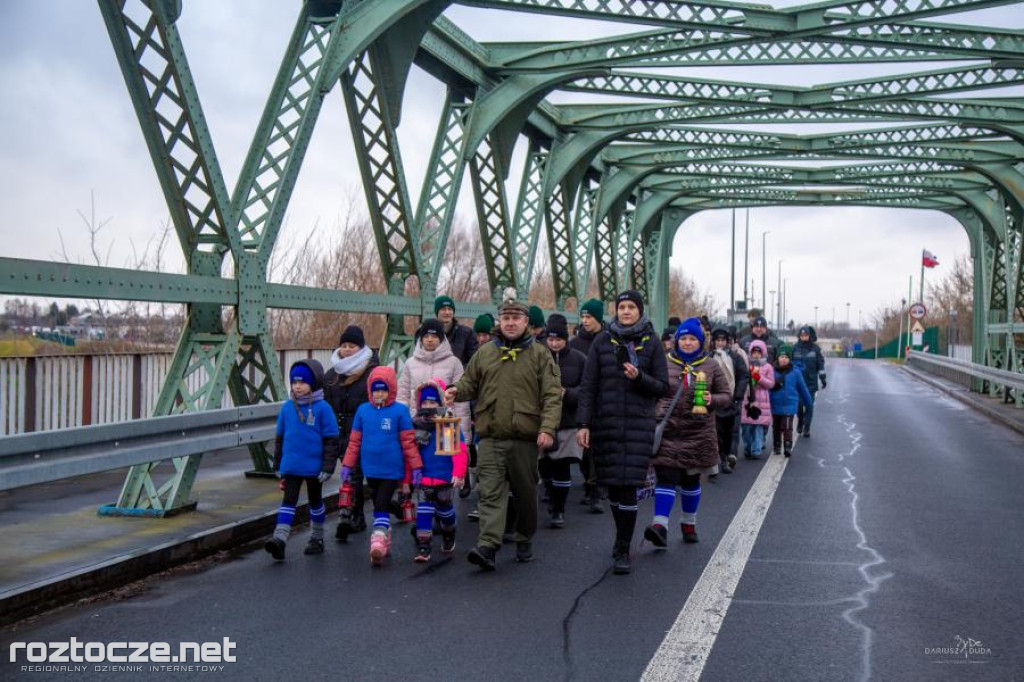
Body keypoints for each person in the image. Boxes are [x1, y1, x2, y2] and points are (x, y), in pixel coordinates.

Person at [445, 292, 562, 571]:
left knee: (524, 494)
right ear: (501, 321)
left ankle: (524, 539)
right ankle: (488, 546)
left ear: (526, 322)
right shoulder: (486, 353)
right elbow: (469, 383)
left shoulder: (540, 355)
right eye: (506, 318)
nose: (510, 323)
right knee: (490, 493)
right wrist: (455, 392)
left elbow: (552, 396)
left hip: (524, 438)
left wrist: (547, 429)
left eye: (516, 318)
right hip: (491, 436)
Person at [577, 290, 669, 575]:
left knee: (628, 487)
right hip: (606, 424)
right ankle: (621, 535)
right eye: (621, 307)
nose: (626, 311)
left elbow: (663, 387)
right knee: (614, 488)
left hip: (637, 426)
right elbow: (589, 385)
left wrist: (639, 377)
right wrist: (584, 424)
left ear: (640, 310)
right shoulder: (603, 341)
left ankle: (623, 546)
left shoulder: (651, 343)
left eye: (631, 307)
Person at [644, 318, 731, 547]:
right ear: (676, 341)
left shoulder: (711, 366)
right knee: (667, 478)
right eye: (683, 338)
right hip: (668, 431)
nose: (688, 342)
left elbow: (726, 395)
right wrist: (657, 409)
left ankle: (688, 523)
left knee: (691, 481)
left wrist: (713, 400)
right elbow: (651, 390)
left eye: (693, 339)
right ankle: (659, 526)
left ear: (700, 342)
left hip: (698, 434)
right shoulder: (664, 362)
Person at [341, 366, 423, 565]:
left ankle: (377, 541)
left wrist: (416, 467)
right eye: (376, 389)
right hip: (371, 468)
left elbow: (408, 442)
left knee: (381, 504)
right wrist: (347, 465)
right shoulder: (363, 411)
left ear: (391, 389)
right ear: (370, 390)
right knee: (378, 499)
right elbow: (354, 442)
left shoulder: (399, 412)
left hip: (391, 469)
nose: (379, 393)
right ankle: (384, 534)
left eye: (383, 389)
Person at [265, 359, 340, 561]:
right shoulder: (288, 408)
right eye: (294, 382)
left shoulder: (323, 408)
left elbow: (332, 440)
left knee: (315, 501)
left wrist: (328, 466)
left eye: (302, 382)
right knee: (288, 502)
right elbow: (280, 438)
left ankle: (317, 538)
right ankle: (279, 540)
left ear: (314, 383)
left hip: (315, 468)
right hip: (291, 464)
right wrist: (278, 464)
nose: (297, 386)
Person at [323, 325, 379, 542]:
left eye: (352, 346)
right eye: (344, 345)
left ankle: (371, 513)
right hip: (341, 436)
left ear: (361, 347)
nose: (346, 349)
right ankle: (354, 517)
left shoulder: (372, 372)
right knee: (352, 477)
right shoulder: (331, 376)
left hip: (366, 435)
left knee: (369, 477)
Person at [410, 379, 467, 562]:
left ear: (440, 402)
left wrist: (458, 473)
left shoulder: (447, 424)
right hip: (424, 476)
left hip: (444, 476)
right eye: (425, 402)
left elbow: (459, 451)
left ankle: (449, 532)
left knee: (445, 511)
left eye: (432, 402)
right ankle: (424, 547)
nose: (428, 406)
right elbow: (410, 452)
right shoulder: (416, 425)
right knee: (423, 512)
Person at [542, 313, 587, 528]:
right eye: (550, 339)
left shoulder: (579, 359)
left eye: (558, 339)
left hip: (568, 421)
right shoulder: (537, 357)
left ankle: (559, 510)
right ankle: (551, 497)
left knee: (562, 467)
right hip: (541, 422)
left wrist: (567, 394)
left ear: (565, 338)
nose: (554, 344)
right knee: (544, 467)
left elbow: (587, 390)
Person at [397, 318, 471, 443]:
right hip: (416, 427)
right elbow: (402, 398)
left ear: (441, 339)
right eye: (426, 336)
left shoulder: (454, 363)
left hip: (446, 428)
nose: (430, 339)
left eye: (434, 336)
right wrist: (401, 428)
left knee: (443, 461)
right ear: (421, 338)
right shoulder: (410, 364)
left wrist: (464, 440)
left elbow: (461, 403)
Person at [569, 298, 605, 512]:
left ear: (598, 318)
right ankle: (590, 483)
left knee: (598, 449)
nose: (585, 321)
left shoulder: (609, 340)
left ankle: (596, 490)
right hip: (582, 402)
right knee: (583, 449)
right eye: (582, 317)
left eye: (589, 317)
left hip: (603, 403)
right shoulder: (575, 344)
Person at [710, 326, 748, 474]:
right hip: (713, 401)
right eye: (718, 340)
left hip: (732, 400)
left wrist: (738, 395)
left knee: (730, 432)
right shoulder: (708, 357)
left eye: (723, 340)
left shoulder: (735, 357)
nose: (720, 343)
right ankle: (719, 460)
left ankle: (728, 457)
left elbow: (744, 376)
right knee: (716, 433)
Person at [769, 344, 813, 457]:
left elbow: (802, 388)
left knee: (787, 425)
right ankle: (777, 446)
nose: (783, 359)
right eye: (781, 357)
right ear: (777, 358)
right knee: (776, 427)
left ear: (790, 359)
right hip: (775, 403)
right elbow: (766, 387)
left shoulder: (795, 372)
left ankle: (788, 446)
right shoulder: (772, 371)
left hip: (790, 404)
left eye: (786, 357)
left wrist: (809, 403)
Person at [740, 340, 775, 460]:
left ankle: (756, 449)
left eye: (758, 352)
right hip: (748, 400)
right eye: (754, 352)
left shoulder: (767, 367)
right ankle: (747, 447)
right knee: (746, 427)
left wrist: (759, 378)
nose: (756, 355)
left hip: (762, 402)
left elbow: (770, 384)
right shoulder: (746, 365)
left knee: (759, 427)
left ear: (763, 353)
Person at [792, 326, 826, 437]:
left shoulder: (815, 349)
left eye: (806, 335)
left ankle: (807, 428)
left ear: (809, 335)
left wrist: (822, 378)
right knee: (799, 405)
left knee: (809, 406)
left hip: (811, 382)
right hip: (798, 383)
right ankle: (800, 422)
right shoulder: (795, 348)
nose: (804, 337)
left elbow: (820, 364)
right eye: (802, 335)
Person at [434, 295, 478, 367]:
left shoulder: (467, 333)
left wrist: (458, 372)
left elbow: (474, 361)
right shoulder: (429, 333)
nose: (447, 312)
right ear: (437, 312)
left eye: (450, 309)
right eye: (443, 309)